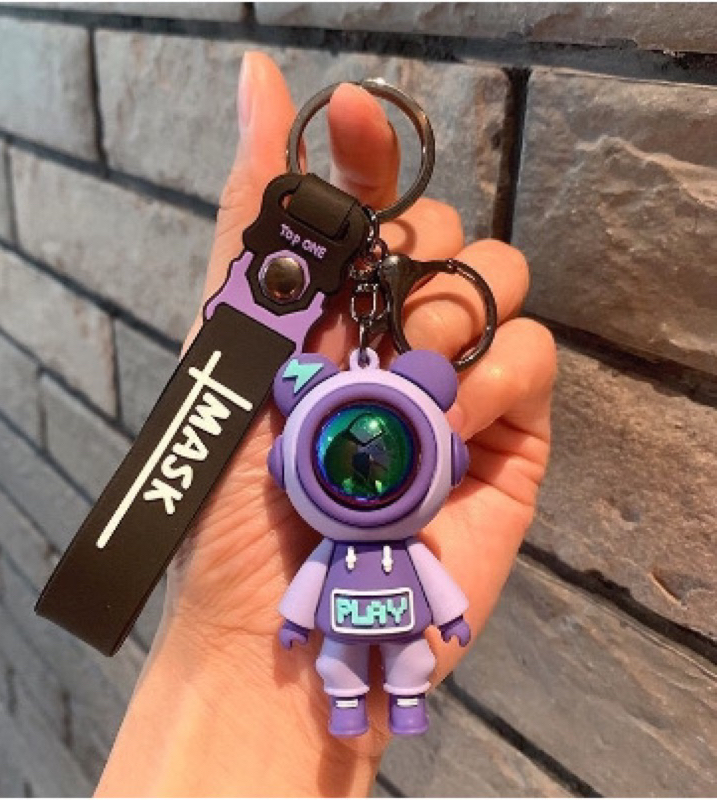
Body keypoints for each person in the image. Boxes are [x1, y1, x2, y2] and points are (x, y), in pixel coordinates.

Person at [95, 52, 556, 798]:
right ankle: (346, 704)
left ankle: (398, 702)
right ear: (287, 464)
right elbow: (320, 581)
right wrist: (247, 650)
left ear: (443, 461)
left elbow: (423, 584)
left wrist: (443, 618)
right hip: (347, 617)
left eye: (385, 453)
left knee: (403, 662)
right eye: (352, 457)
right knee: (342, 664)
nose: (369, 461)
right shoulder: (335, 524)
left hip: (380, 608)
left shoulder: (382, 522)